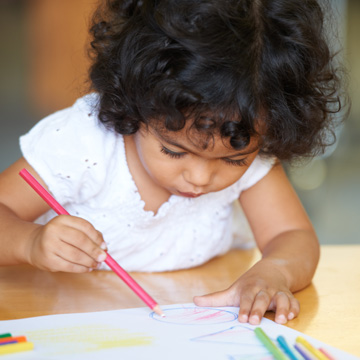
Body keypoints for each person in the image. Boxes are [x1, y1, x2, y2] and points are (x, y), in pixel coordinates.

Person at [0, 0, 347, 325]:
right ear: (135, 103)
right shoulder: (82, 144)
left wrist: (275, 272)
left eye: (233, 159)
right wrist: (30, 243)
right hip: (65, 314)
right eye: (174, 151)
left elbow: (292, 235)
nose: (199, 177)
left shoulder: (253, 145)